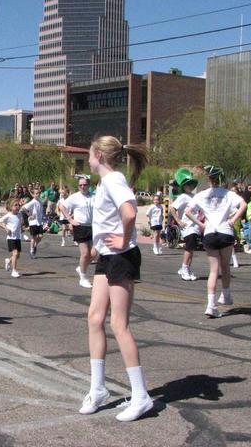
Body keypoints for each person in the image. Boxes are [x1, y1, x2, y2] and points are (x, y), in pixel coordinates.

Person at [79, 135, 153, 422]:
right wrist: (99, 244)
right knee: (94, 318)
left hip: (122, 257)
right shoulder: (105, 183)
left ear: (98, 154)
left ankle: (141, 395)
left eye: (89, 153)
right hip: (109, 256)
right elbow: (109, 218)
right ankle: (98, 389)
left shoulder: (113, 180)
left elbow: (130, 212)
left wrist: (122, 238)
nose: (87, 159)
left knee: (118, 324)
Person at [185, 165, 247, 318]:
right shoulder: (228, 194)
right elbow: (244, 204)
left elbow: (187, 211)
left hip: (210, 232)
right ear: (222, 179)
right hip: (225, 231)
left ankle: (211, 305)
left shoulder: (202, 194)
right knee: (225, 265)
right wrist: (233, 219)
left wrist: (200, 224)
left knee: (213, 270)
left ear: (209, 180)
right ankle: (225, 294)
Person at [60, 178, 94, 288]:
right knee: (84, 253)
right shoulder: (75, 197)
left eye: (85, 185)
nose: (83, 187)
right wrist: (70, 219)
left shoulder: (93, 196)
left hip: (92, 226)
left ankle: (81, 268)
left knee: (93, 253)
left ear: (88, 185)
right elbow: (62, 206)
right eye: (80, 185)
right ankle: (83, 278)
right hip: (80, 226)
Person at [170, 177, 200, 281]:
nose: (190, 187)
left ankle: (187, 268)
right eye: (188, 185)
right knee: (189, 247)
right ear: (184, 187)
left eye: (191, 184)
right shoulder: (183, 196)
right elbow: (172, 208)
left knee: (192, 249)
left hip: (195, 226)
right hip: (187, 226)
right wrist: (178, 221)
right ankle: (184, 268)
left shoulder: (195, 196)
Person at [0, 198, 23, 278]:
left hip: (18, 238)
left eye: (18, 205)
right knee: (15, 253)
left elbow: (19, 224)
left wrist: (22, 229)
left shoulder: (19, 214)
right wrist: (6, 228)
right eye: (15, 205)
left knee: (17, 255)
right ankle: (14, 271)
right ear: (11, 207)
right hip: (11, 238)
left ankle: (8, 261)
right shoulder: (8, 215)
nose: (18, 206)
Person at [21, 188, 44, 259]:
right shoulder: (33, 202)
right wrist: (29, 215)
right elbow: (23, 207)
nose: (37, 195)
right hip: (33, 222)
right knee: (33, 237)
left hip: (39, 222)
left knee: (40, 236)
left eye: (38, 193)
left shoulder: (40, 201)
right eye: (36, 193)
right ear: (33, 195)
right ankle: (31, 250)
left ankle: (35, 246)